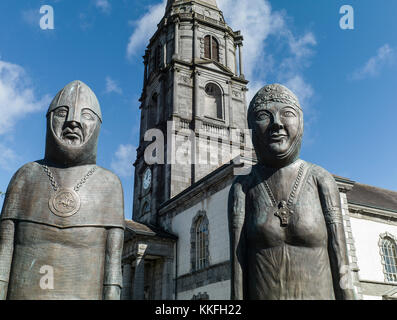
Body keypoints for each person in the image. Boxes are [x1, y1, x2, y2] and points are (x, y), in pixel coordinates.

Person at [228, 84, 356, 300]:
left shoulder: (320, 179)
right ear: (251, 127)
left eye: (287, 114)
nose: (276, 123)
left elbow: (340, 257)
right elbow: (237, 267)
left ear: (301, 123)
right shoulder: (243, 186)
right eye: (263, 116)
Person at [0, 80, 125, 300]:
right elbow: (3, 256)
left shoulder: (109, 184)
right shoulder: (25, 175)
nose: (73, 121)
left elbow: (112, 271)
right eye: (61, 112)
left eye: (86, 115)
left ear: (97, 125)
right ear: (49, 119)